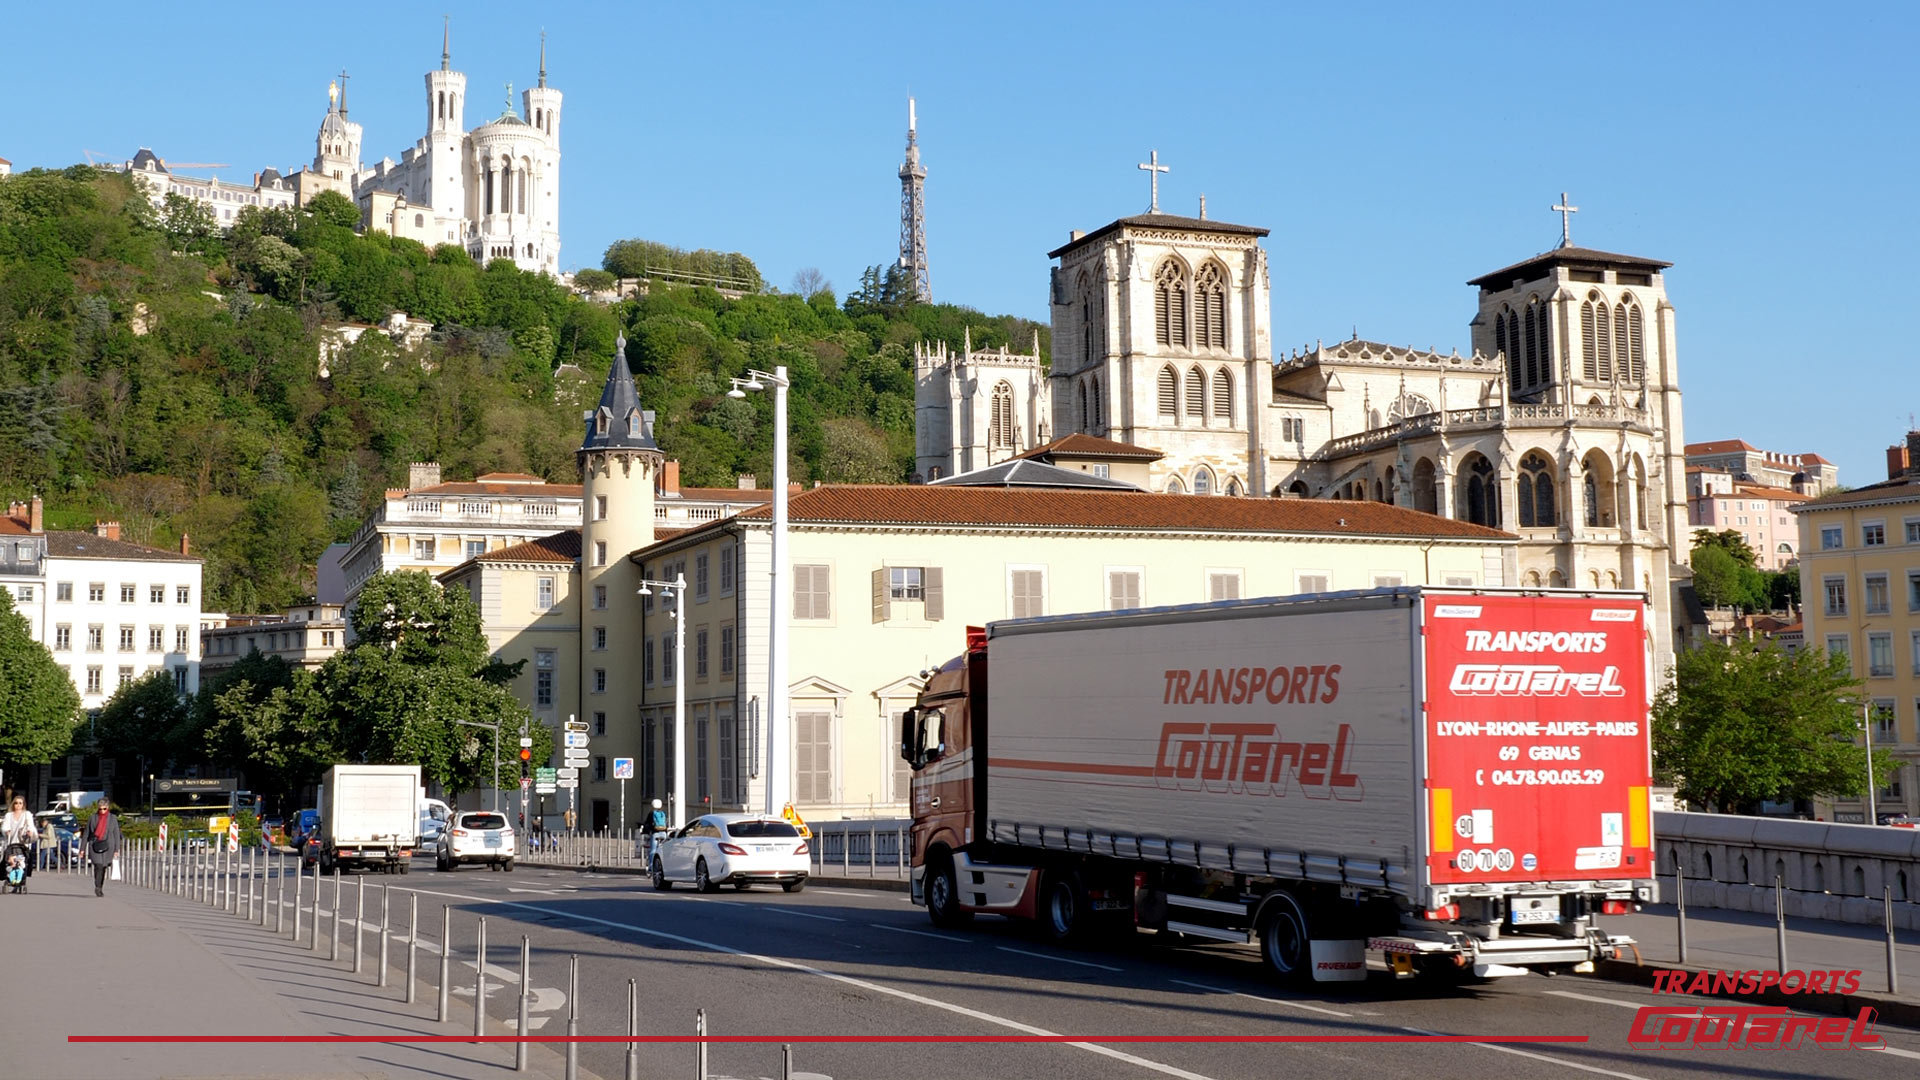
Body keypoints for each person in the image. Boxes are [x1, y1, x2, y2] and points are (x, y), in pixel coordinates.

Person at [83, 801, 123, 897]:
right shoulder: (93, 818)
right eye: (100, 809)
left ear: (107, 808)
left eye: (104, 809)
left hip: (108, 846)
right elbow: (86, 834)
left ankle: (100, 886)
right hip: (95, 845)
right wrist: (82, 849)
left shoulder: (112, 818)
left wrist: (117, 849)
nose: (102, 811)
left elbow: (116, 834)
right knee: (98, 866)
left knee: (103, 867)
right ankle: (97, 887)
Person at [2, 796, 35, 880]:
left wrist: (29, 831)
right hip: (11, 841)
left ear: (23, 804)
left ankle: (21, 878)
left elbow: (30, 825)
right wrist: (6, 831)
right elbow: (4, 827)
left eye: (20, 803)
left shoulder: (27, 814)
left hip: (22, 842)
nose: (18, 805)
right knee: (9, 860)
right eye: (16, 803)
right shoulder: (8, 815)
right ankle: (9, 877)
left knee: (22, 861)